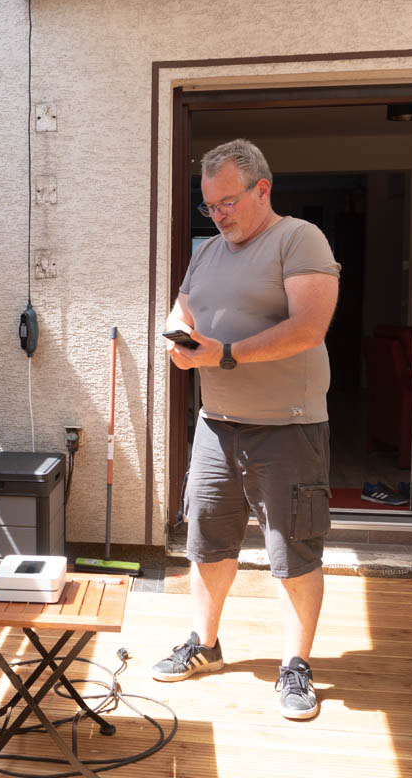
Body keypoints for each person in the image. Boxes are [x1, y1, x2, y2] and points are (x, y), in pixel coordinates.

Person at [153, 139, 340, 721]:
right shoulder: (207, 251)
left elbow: (308, 327)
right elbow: (182, 309)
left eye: (228, 201)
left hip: (287, 426)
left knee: (294, 548)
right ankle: (205, 644)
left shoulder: (299, 239)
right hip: (216, 425)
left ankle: (296, 664)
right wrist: (178, 338)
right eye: (209, 206)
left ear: (262, 189)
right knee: (206, 541)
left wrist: (225, 353)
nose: (219, 215)